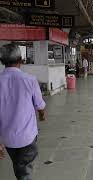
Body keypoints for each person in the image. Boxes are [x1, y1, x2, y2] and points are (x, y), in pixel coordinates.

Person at [0, 43, 46, 180]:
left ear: (2, 61)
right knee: (23, 171)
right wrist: (42, 115)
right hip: (27, 137)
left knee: (19, 165)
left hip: (7, 138)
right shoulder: (30, 80)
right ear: (21, 59)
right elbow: (40, 106)